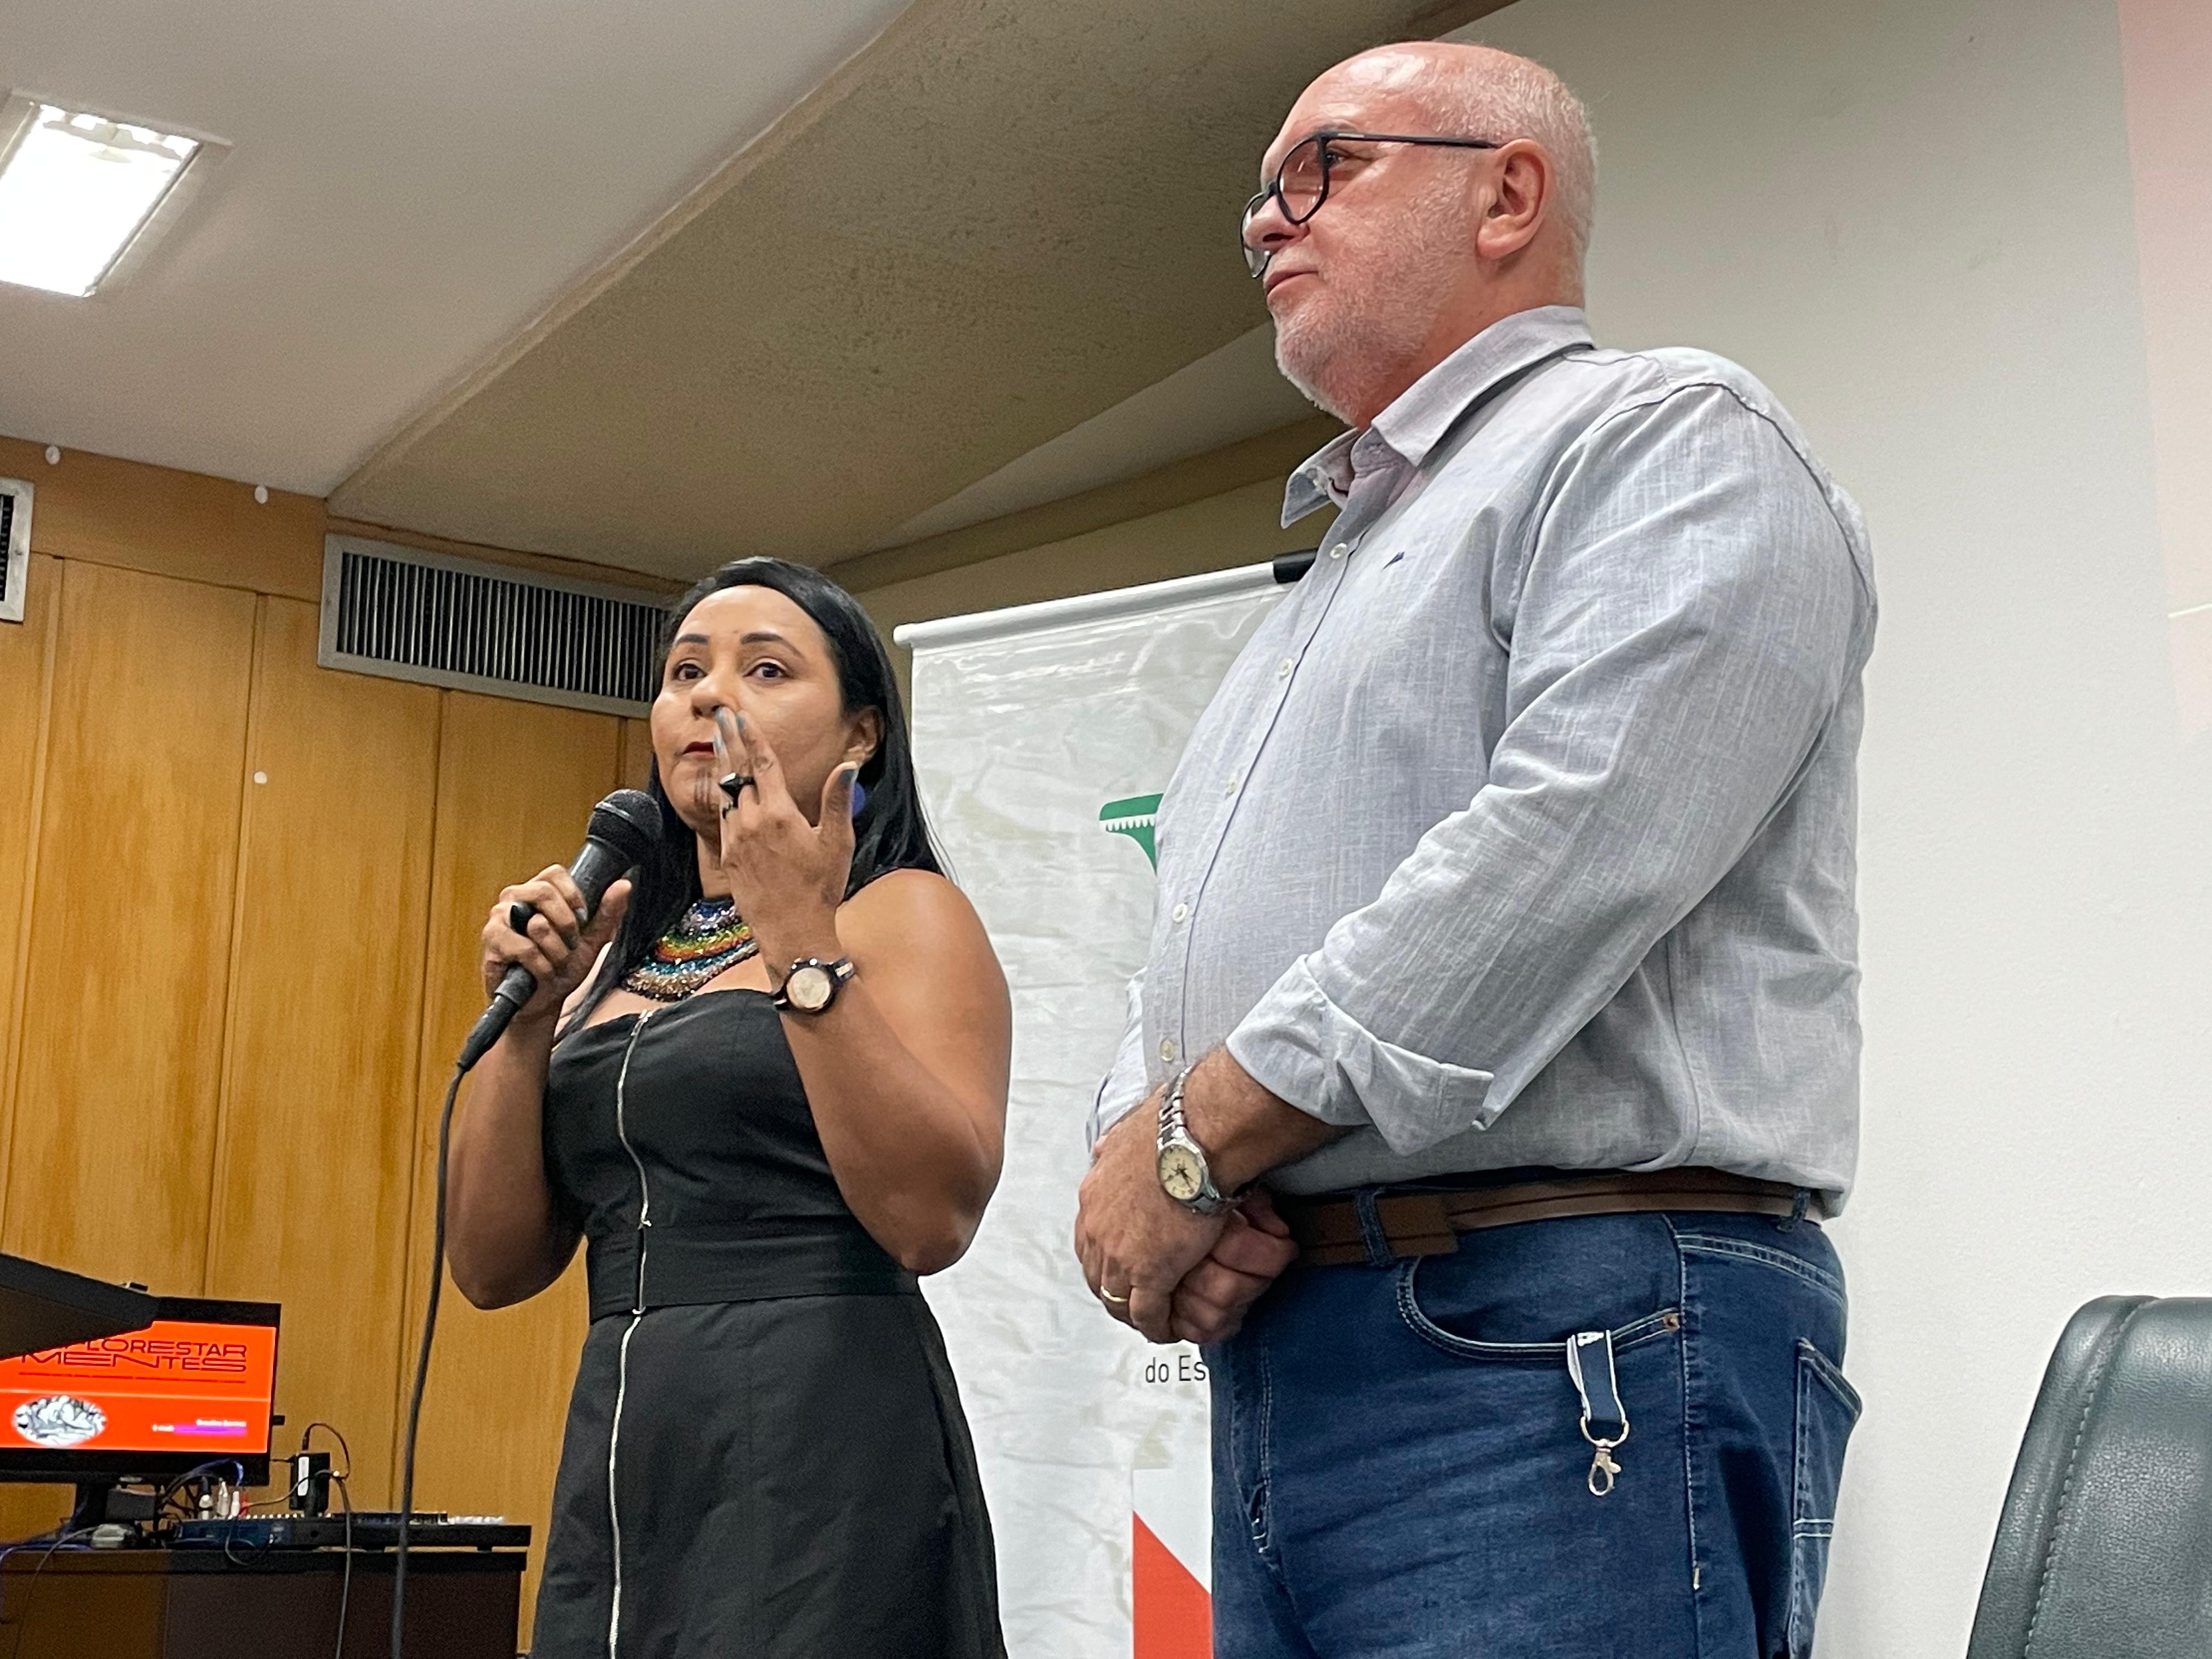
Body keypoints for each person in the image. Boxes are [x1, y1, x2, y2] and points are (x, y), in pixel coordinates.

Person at [1074, 41, 1876, 1659]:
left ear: (1508, 194)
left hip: (1560, 1326)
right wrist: (1150, 1147)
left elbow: (1567, 847)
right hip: (1303, 1344)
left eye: (1324, 167)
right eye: (1262, 194)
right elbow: (1194, 939)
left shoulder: (1661, 434)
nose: (1265, 223)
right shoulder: (1332, 579)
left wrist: (1193, 1141)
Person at [448, 557, 1011, 1658]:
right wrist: (529, 1022)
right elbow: (488, 1265)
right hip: (632, 1446)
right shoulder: (616, 954)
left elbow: (931, 1218)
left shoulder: (903, 912)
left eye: (766, 670)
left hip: (825, 1435)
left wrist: (798, 935)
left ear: (861, 736)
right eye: (685, 672)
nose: (710, 695)